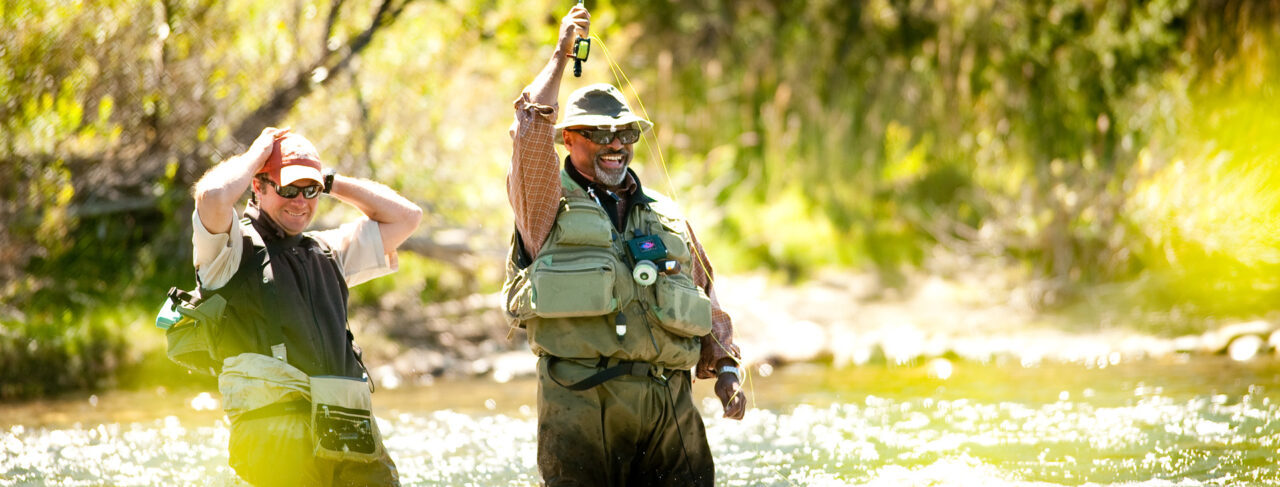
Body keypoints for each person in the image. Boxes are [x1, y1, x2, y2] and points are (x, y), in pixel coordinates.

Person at [501, 5, 746, 486]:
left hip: (668, 408)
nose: (615, 144)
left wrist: (726, 369)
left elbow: (705, 297)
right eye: (598, 134)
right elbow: (528, 131)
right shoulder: (543, 204)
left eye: (625, 133)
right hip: (579, 401)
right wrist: (560, 55)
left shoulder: (666, 214)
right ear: (568, 138)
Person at [190, 127, 421, 486]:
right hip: (275, 435)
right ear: (258, 186)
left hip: (346, 428)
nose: (300, 201)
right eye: (287, 189)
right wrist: (257, 155)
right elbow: (213, 197)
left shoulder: (328, 250)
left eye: (310, 191)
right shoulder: (229, 251)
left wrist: (329, 181)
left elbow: (406, 217)